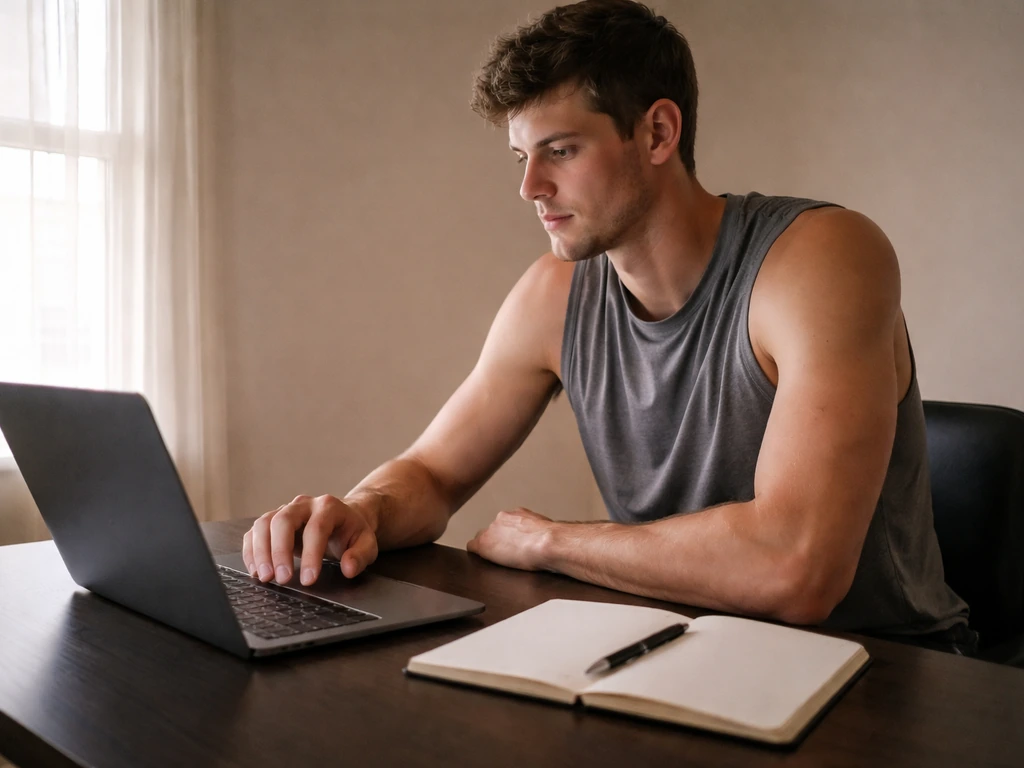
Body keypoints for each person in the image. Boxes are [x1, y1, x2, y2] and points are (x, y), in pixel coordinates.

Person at [242, 0, 973, 652]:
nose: (529, 188)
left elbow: (797, 569)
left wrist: (553, 542)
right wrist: (362, 510)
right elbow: (433, 472)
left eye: (560, 151)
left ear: (657, 132)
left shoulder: (819, 258)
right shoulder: (554, 294)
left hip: (889, 675)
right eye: (523, 157)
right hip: (684, 650)